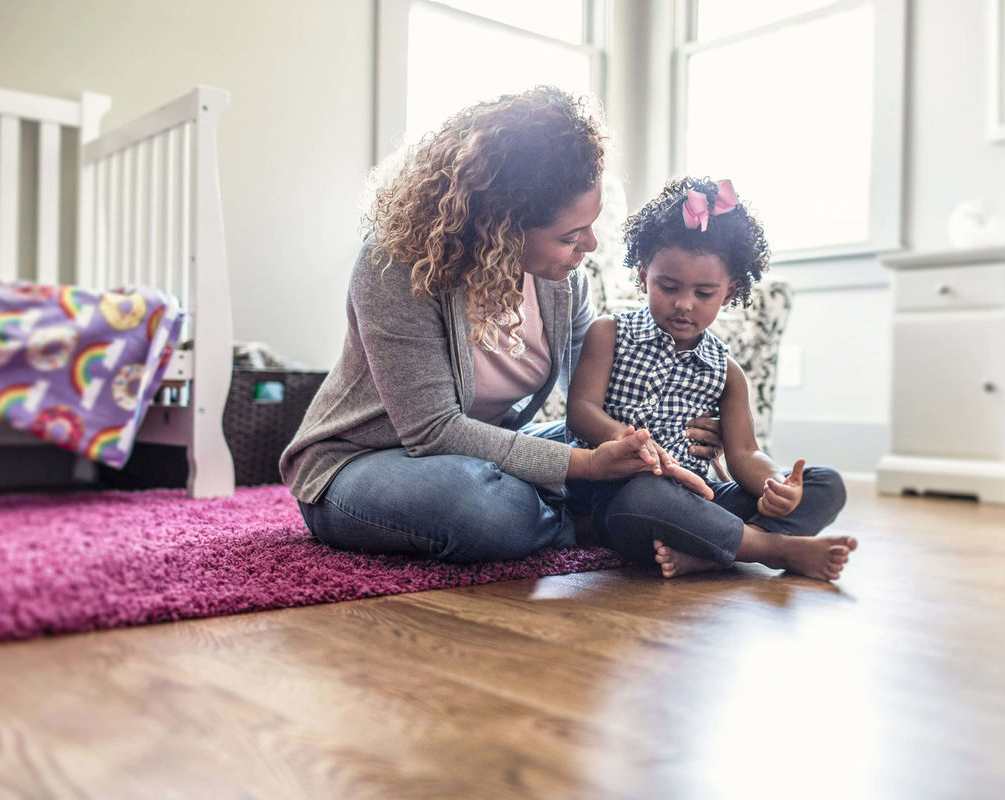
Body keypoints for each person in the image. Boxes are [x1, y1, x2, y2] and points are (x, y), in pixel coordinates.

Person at [279, 86, 723, 563]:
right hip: (363, 461)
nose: (590, 246)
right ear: (501, 226)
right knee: (480, 506)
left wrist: (662, 430)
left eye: (591, 225)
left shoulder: (563, 279)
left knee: (632, 462)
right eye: (571, 235)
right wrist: (590, 466)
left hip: (485, 449)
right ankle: (596, 522)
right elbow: (434, 432)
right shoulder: (397, 265)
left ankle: (573, 511)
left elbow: (606, 386)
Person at [565, 177, 855, 580]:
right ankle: (772, 548)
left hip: (698, 499)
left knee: (826, 484)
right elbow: (580, 412)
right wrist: (630, 444)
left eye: (704, 293)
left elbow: (745, 454)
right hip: (620, 498)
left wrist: (776, 485)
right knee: (648, 496)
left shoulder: (727, 371)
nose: (684, 304)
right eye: (668, 287)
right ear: (644, 274)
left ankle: (711, 551)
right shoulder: (609, 334)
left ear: (729, 291)